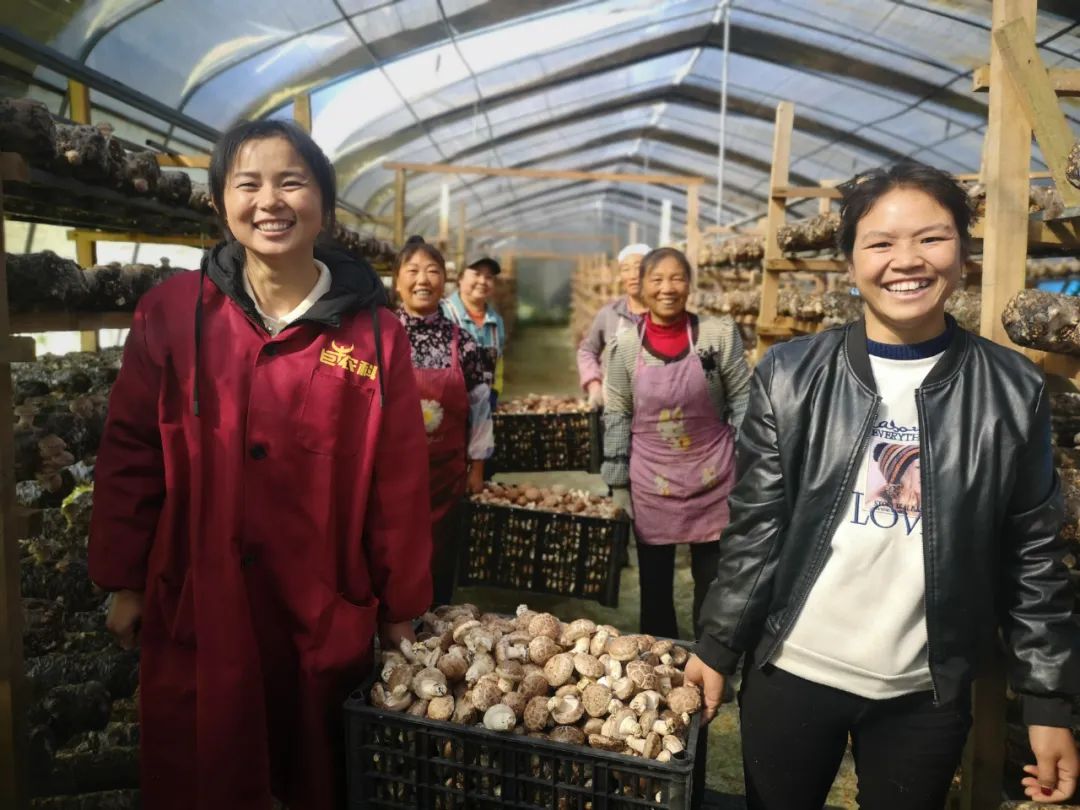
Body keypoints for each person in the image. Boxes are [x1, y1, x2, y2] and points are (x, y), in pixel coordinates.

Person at [686, 162, 1080, 809]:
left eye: (932, 237)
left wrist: (1047, 701)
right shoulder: (790, 375)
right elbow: (756, 529)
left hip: (922, 691)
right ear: (849, 260)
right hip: (794, 671)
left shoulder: (1010, 392)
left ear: (963, 248)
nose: (908, 260)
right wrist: (717, 644)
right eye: (881, 242)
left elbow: (1033, 555)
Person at [88, 120, 433, 810]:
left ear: (324, 208)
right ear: (220, 204)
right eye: (248, 184)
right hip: (199, 591)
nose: (269, 201)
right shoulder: (174, 313)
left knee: (313, 772)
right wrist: (124, 579)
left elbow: (398, 482)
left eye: (291, 182)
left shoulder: (371, 334)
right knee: (204, 768)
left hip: (319, 600)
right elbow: (131, 451)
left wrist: (402, 609)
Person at [601, 246, 751, 640]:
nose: (667, 288)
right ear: (643, 286)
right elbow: (616, 414)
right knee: (654, 583)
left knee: (714, 579)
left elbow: (743, 400)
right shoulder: (625, 347)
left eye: (677, 278)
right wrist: (617, 485)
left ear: (689, 284)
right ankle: (658, 656)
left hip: (715, 476)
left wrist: (745, 462)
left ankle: (709, 655)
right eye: (657, 279)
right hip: (652, 480)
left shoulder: (718, 336)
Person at [395, 236, 494, 605]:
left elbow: (481, 408)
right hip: (390, 474)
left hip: (444, 476)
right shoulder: (380, 336)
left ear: (445, 282)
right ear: (397, 280)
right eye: (413, 270)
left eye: (433, 271)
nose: (423, 279)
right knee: (391, 556)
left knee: (438, 561)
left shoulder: (463, 342)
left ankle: (437, 639)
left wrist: (477, 468)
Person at [578, 243, 651, 408]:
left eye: (638, 267)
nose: (633, 275)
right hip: (614, 407)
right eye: (626, 269)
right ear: (620, 276)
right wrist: (594, 385)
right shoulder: (609, 314)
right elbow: (587, 351)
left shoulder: (666, 315)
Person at [442, 256, 506, 408]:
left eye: (489, 277)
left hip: (482, 408)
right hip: (446, 406)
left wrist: (495, 391)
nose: (483, 281)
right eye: (476, 274)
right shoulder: (443, 313)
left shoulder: (496, 321)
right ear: (460, 278)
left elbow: (499, 361)